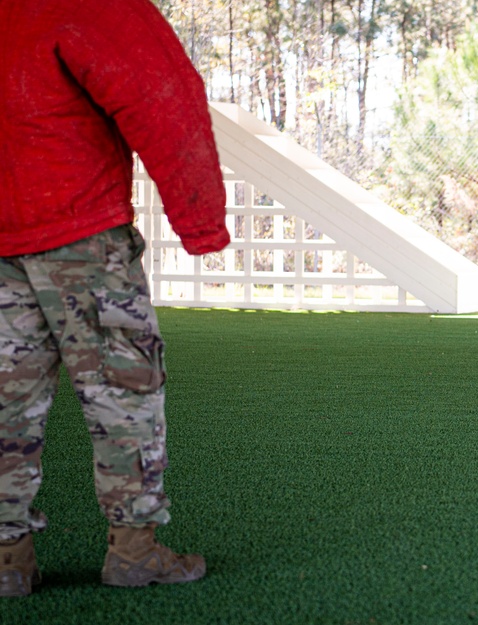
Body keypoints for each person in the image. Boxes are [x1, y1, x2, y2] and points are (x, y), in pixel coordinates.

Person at [0, 0, 230, 596]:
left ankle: (6, 562)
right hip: (83, 243)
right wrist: (200, 220)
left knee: (3, 406)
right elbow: (162, 96)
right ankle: (135, 553)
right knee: (124, 397)